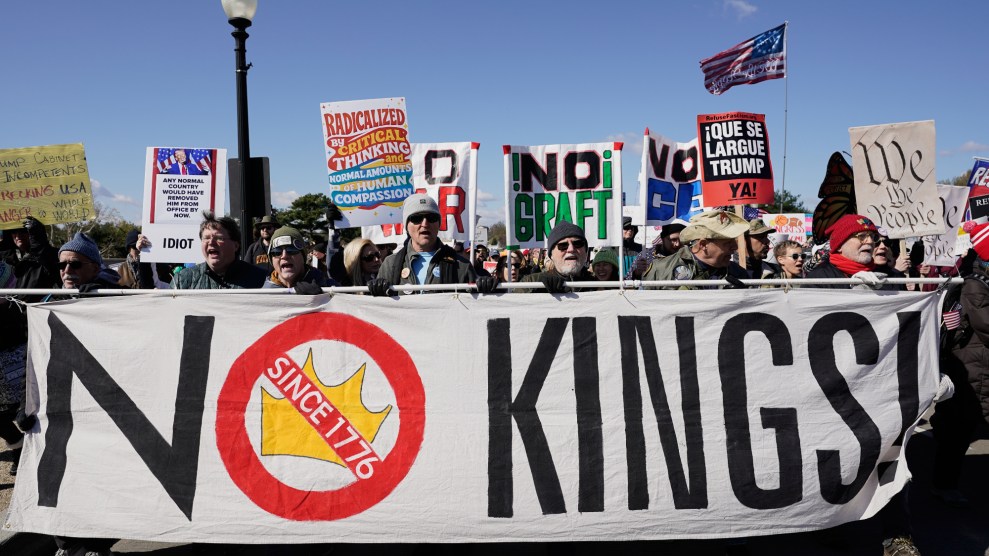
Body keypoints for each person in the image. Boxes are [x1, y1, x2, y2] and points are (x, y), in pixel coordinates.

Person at [930, 224, 989, 510]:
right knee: (959, 431)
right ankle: (944, 485)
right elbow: (985, 324)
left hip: (981, 367)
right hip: (972, 369)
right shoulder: (975, 283)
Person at [369, 194, 497, 296]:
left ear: (438, 224)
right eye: (417, 218)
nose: (425, 223)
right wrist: (378, 292)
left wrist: (487, 290)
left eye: (431, 218)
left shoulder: (461, 265)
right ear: (406, 226)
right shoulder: (390, 265)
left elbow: (478, 310)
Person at [640, 210, 749, 289]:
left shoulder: (739, 274)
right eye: (727, 242)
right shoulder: (661, 270)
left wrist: (744, 296)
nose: (735, 247)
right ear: (703, 245)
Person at [805, 214, 901, 291]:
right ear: (839, 246)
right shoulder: (819, 278)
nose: (870, 241)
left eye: (873, 237)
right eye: (862, 236)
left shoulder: (891, 276)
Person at [174, 211, 267, 289]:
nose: (211, 242)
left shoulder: (260, 280)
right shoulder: (182, 280)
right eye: (206, 238)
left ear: (236, 245)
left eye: (219, 238)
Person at [521, 221, 595, 293]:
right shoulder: (531, 282)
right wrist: (537, 292)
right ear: (551, 255)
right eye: (563, 245)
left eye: (578, 244)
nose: (571, 249)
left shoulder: (599, 285)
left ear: (586, 251)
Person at [262, 226, 330, 293]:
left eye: (291, 249)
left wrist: (322, 299)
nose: (284, 256)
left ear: (303, 256)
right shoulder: (262, 296)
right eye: (277, 252)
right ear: (271, 260)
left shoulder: (331, 289)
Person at [0, 216, 60, 290]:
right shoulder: (7, 260)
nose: (18, 235)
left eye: (23, 230)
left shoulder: (52, 255)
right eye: (14, 231)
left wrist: (37, 241)